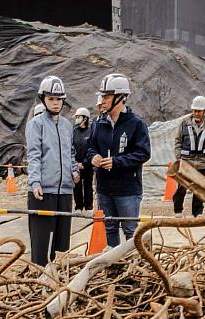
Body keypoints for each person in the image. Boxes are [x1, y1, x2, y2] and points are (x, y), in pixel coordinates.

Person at [87, 73, 151, 246]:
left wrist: (117, 162)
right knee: (109, 228)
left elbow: (143, 153)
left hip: (128, 190)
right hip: (104, 189)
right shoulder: (98, 123)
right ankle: (113, 261)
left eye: (106, 96)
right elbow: (90, 147)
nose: (103, 101)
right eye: (102, 96)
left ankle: (134, 262)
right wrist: (93, 157)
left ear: (120, 98)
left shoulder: (136, 124)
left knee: (131, 230)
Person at [25, 75, 79, 266]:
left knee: (61, 244)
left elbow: (70, 152)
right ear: (43, 99)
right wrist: (35, 182)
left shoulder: (67, 126)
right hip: (43, 191)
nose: (56, 103)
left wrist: (74, 171)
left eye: (59, 99)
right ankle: (39, 275)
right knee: (41, 244)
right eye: (51, 99)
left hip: (64, 191)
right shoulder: (36, 124)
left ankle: (59, 277)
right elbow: (34, 154)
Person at [173, 95, 205, 217]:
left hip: (203, 163)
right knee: (182, 188)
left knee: (200, 190)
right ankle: (178, 210)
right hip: (186, 162)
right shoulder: (184, 124)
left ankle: (197, 212)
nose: (196, 113)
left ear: (204, 111)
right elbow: (178, 141)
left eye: (199, 111)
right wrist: (179, 158)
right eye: (194, 111)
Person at [72, 107, 93, 211]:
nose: (77, 119)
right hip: (76, 165)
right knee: (77, 186)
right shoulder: (73, 132)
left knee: (88, 186)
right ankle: (78, 206)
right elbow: (70, 148)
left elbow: (92, 148)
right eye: (76, 117)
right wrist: (75, 163)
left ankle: (88, 207)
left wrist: (84, 163)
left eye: (78, 117)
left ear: (85, 118)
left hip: (88, 165)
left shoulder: (91, 132)